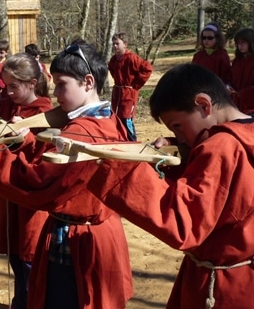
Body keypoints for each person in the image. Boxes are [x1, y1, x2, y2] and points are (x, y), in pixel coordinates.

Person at [0, 43, 133, 309]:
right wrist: (23, 144)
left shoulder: (83, 130)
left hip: (79, 244)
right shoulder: (105, 118)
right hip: (92, 238)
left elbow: (43, 184)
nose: (55, 93)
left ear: (88, 82)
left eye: (61, 84)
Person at [86, 63, 254, 309]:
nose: (181, 136)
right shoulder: (246, 132)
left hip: (222, 291)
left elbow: (184, 221)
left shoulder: (221, 147)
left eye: (178, 125)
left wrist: (121, 169)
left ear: (204, 104)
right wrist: (181, 152)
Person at [0, 52, 52, 309]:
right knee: (16, 256)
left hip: (31, 199)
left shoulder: (45, 113)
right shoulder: (8, 104)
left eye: (14, 86)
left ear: (32, 83)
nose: (9, 91)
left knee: (30, 258)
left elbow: (43, 160)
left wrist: (24, 139)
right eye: (6, 86)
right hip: (10, 194)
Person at [108, 32, 153, 141]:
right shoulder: (113, 60)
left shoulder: (132, 58)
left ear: (125, 44)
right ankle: (121, 140)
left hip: (129, 94)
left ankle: (132, 141)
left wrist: (136, 85)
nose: (115, 46)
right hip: (117, 94)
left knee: (126, 118)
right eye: (113, 44)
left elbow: (147, 69)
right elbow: (112, 69)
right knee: (116, 118)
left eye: (117, 44)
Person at [191, 22, 232, 86]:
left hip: (216, 89)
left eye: (210, 38)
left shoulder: (222, 55)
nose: (206, 40)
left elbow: (226, 77)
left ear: (217, 38)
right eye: (204, 38)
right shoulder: (198, 56)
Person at [229, 28, 254, 114]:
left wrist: (242, 93)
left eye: (243, 42)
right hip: (237, 105)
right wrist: (229, 87)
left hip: (251, 106)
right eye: (238, 43)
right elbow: (232, 78)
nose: (240, 46)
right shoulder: (237, 61)